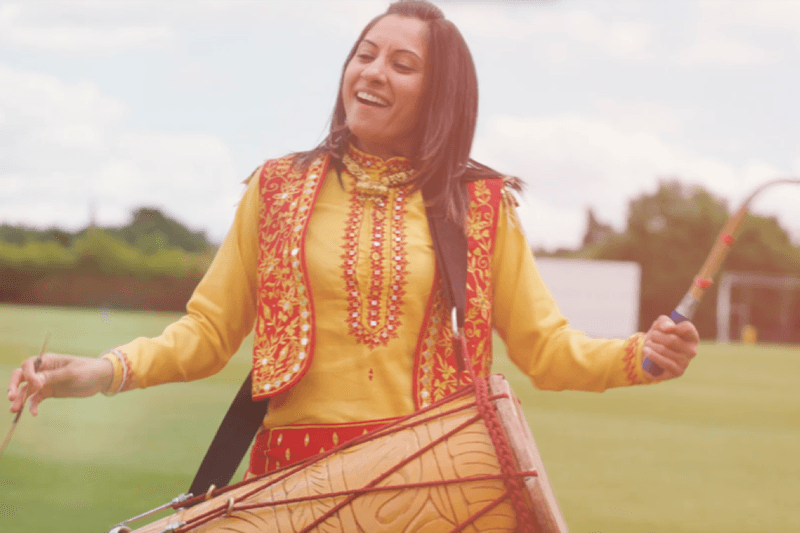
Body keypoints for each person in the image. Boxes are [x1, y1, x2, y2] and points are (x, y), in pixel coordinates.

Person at [7, 0, 698, 478]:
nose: (372, 73)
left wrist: (643, 355)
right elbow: (209, 332)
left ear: (440, 93)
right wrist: (102, 371)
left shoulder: (480, 206)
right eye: (364, 55)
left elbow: (546, 351)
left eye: (402, 65)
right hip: (289, 478)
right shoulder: (276, 188)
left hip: (427, 480)